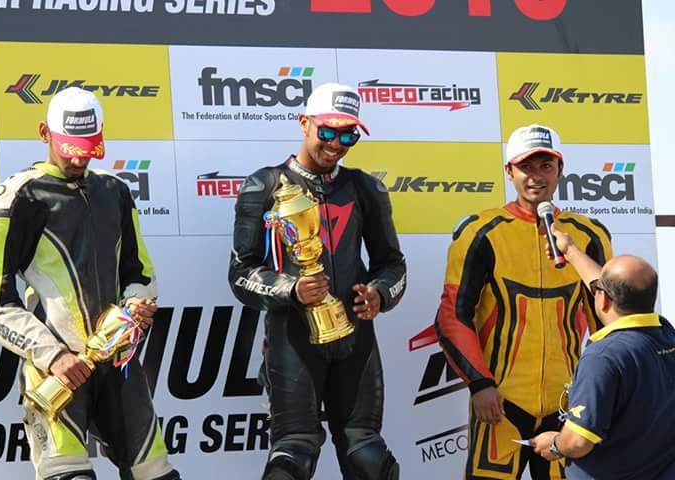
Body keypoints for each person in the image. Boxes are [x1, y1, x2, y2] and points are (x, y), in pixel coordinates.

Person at [0, 87, 181, 480]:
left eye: (88, 148)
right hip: (56, 370)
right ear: (44, 133)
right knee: (69, 475)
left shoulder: (114, 190)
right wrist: (52, 355)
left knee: (157, 473)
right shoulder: (18, 196)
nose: (78, 158)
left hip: (119, 365)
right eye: (70, 148)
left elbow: (140, 273)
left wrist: (136, 307)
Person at [228, 83, 406, 480]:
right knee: (292, 456)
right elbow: (240, 275)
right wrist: (291, 290)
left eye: (349, 135)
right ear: (304, 123)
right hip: (292, 342)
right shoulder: (265, 184)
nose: (337, 144)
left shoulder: (366, 187)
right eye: (328, 131)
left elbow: (392, 265)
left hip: (356, 340)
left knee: (368, 457)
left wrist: (379, 294)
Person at [434, 124, 613, 479]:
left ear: (560, 169)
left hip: (567, 406)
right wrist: (480, 384)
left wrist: (600, 394)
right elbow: (453, 316)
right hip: (500, 403)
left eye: (546, 166)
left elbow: (607, 324)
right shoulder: (481, 232)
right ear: (509, 171)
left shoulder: (588, 235)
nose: (536, 176)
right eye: (526, 167)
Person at [530, 231, 675, 480]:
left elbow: (578, 441)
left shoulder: (603, 357)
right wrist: (571, 250)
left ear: (604, 299)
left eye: (598, 289)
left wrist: (554, 444)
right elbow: (613, 287)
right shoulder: (665, 333)